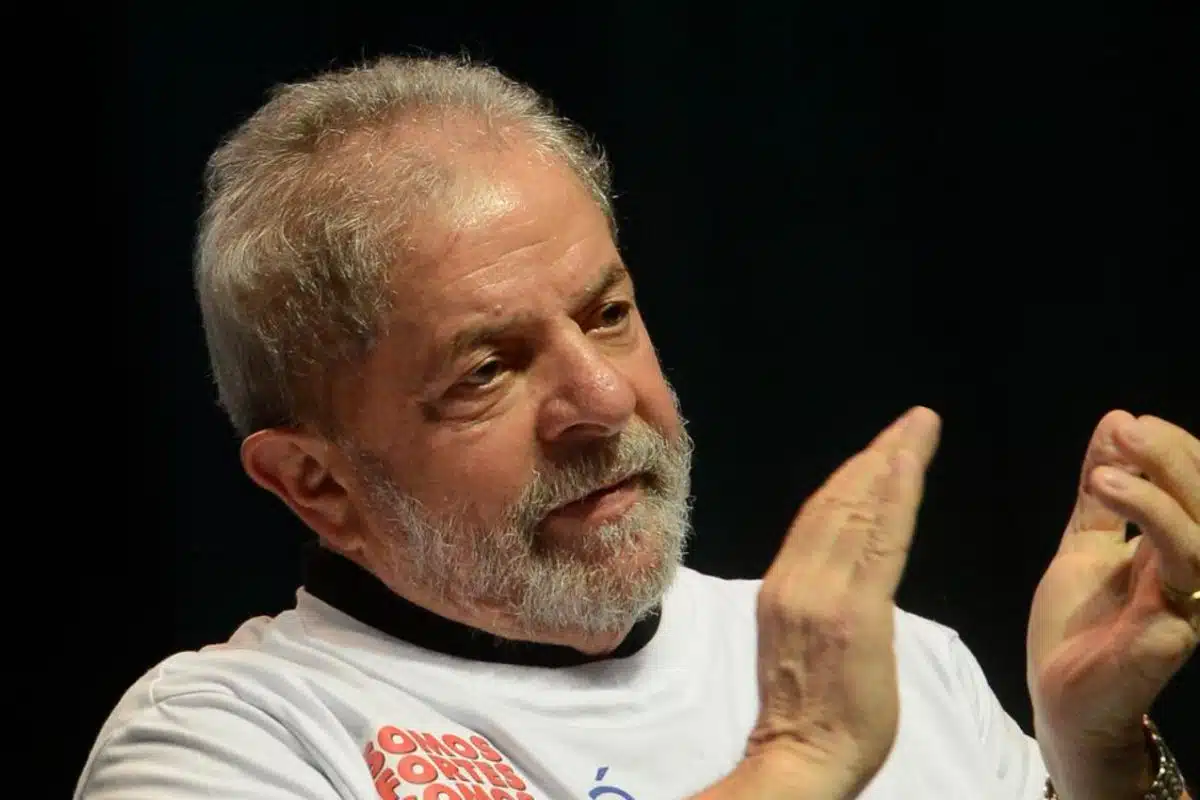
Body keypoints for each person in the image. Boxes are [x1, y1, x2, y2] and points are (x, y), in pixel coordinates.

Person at [79, 55, 1197, 799]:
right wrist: (798, 759)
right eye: (487, 370)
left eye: (607, 314)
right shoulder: (224, 740)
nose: (604, 400)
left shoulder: (890, 656)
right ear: (315, 483)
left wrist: (1095, 757)